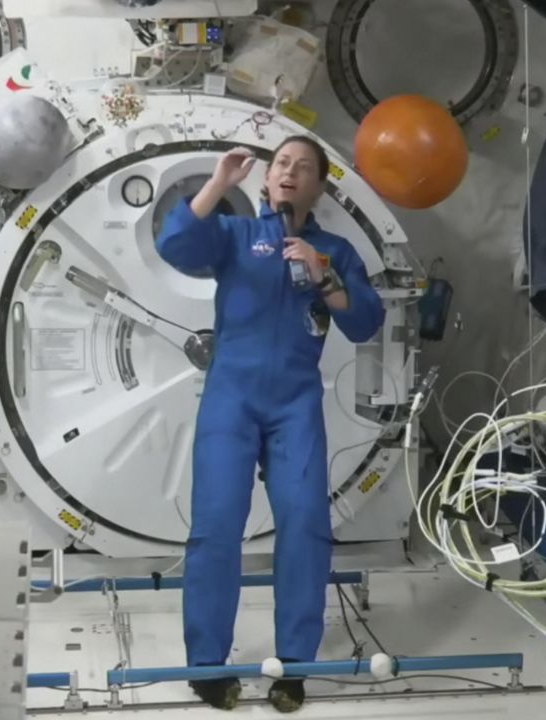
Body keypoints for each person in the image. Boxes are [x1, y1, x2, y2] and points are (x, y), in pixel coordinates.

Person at [154, 138, 386, 713]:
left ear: (319, 187)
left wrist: (323, 274)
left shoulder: (334, 250)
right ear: (266, 179)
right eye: (282, 163)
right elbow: (175, 244)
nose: (290, 172)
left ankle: (294, 666)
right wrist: (217, 182)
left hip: (294, 406)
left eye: (304, 168)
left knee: (306, 523)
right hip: (231, 400)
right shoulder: (235, 236)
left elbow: (364, 323)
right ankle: (207, 665)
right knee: (216, 526)